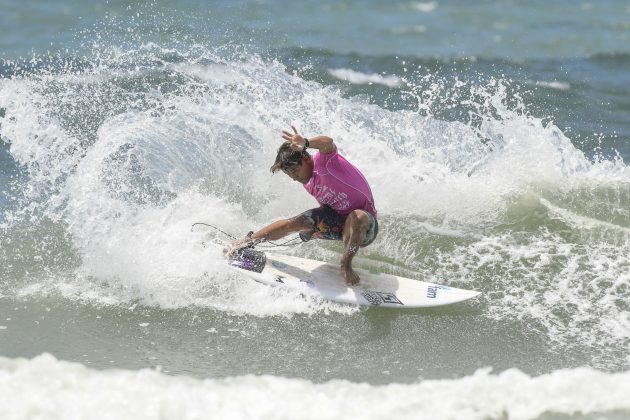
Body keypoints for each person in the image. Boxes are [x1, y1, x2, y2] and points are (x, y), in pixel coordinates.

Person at [227, 126, 378, 286]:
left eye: (294, 171)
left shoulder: (325, 163)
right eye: (289, 175)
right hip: (338, 226)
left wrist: (305, 142)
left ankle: (345, 265)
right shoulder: (308, 182)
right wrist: (311, 225)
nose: (294, 178)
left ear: (306, 159)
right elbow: (326, 212)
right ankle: (248, 241)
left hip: (365, 227)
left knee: (357, 216)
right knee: (297, 222)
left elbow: (328, 143)